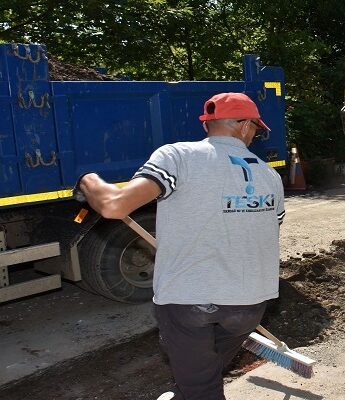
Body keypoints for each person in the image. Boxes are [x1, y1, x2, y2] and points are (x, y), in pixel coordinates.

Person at [75, 92, 285, 399]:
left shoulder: (178, 157)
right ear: (243, 126)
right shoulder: (271, 176)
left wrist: (88, 180)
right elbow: (265, 231)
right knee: (204, 370)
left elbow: (114, 206)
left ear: (208, 126)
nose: (255, 135)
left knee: (200, 382)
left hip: (190, 302)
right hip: (249, 305)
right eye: (256, 128)